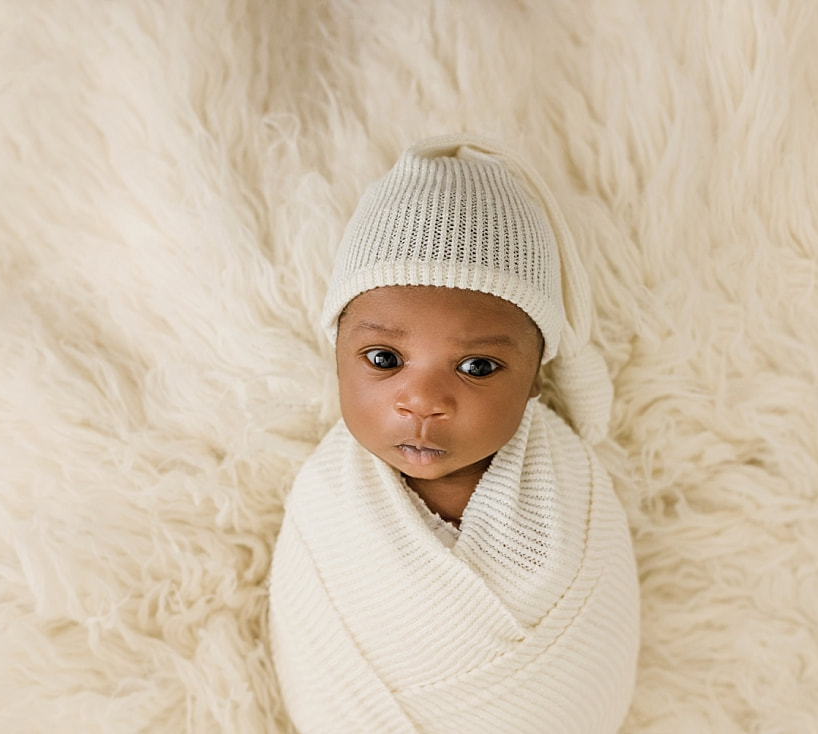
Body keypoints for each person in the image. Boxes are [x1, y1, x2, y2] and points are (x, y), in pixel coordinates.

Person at [268, 134, 640, 733]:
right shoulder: (324, 502)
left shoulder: (574, 492)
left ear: (535, 381)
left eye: (477, 368)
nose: (422, 401)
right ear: (336, 353)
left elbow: (597, 648)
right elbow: (310, 651)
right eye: (384, 359)